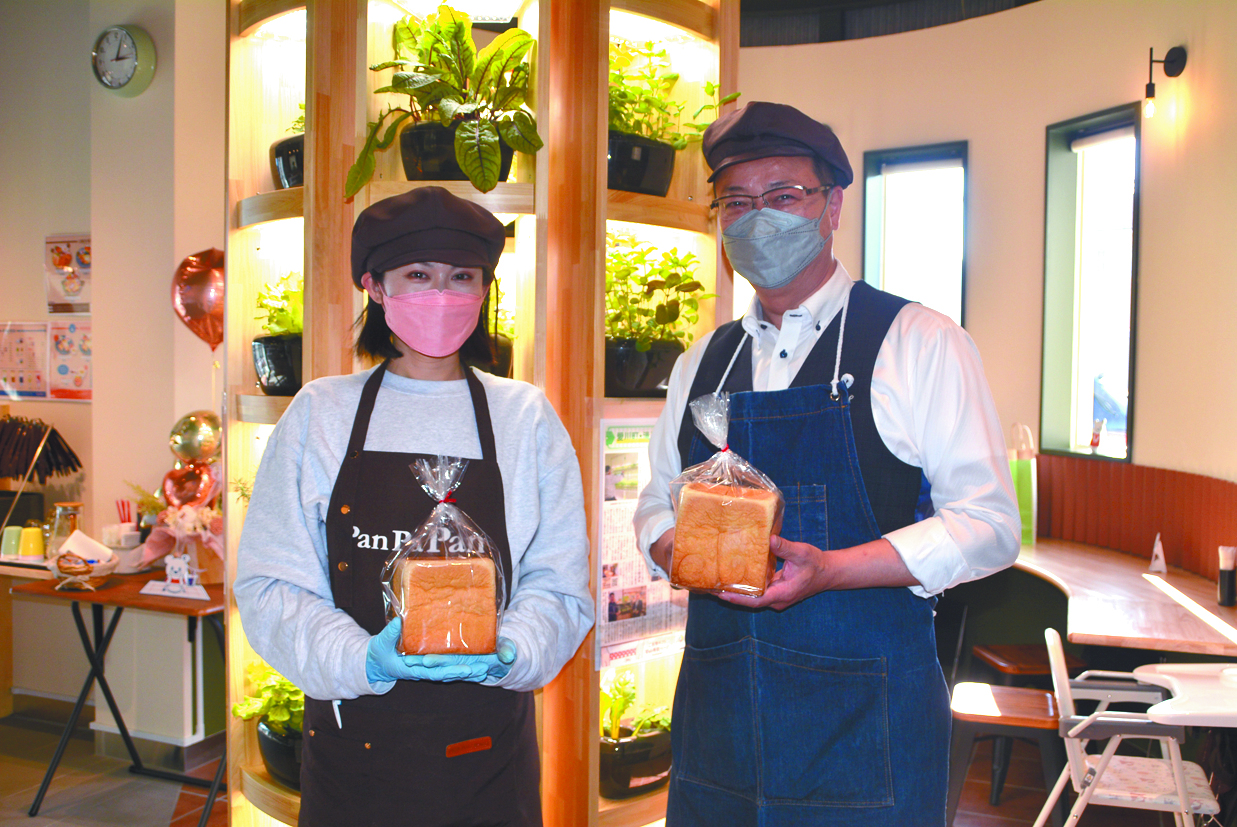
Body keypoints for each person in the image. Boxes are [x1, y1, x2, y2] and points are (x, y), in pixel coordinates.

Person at [633, 102, 1020, 826]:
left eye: (782, 196)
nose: (757, 220)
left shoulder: (917, 341)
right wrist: (678, 547)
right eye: (737, 203)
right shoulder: (702, 363)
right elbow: (655, 503)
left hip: (866, 731)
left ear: (832, 206)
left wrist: (833, 569)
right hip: (718, 728)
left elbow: (988, 525)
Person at [235, 186, 593, 827]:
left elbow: (560, 584)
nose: (443, 294)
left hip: (488, 755)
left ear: (484, 290)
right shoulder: (321, 412)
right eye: (419, 275)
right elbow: (271, 585)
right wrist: (359, 659)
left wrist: (514, 650)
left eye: (462, 277)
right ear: (375, 286)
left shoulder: (525, 417)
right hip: (354, 749)